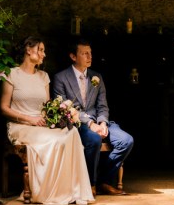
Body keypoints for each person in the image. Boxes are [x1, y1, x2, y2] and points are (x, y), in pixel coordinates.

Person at [0, 36, 94, 205]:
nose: (44, 54)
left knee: (71, 134)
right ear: (29, 49)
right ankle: (46, 191)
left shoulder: (44, 76)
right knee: (53, 140)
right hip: (20, 126)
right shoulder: (11, 74)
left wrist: (58, 116)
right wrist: (30, 119)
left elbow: (47, 105)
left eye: (44, 50)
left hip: (42, 124)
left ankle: (74, 190)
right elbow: (4, 108)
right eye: (41, 50)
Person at [53, 38, 134, 196]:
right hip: (76, 123)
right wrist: (90, 123)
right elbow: (65, 108)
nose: (90, 57)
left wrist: (102, 122)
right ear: (73, 56)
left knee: (126, 141)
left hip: (99, 121)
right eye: (84, 53)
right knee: (94, 139)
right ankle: (90, 184)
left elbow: (102, 105)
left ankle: (104, 180)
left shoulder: (97, 77)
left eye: (90, 53)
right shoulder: (60, 78)